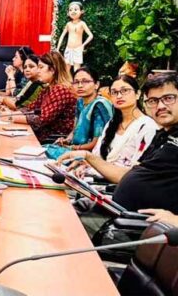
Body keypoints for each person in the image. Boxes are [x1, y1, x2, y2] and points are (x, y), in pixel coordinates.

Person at [59, 73, 178, 235]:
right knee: (59, 215)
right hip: (116, 207)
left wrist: (176, 219)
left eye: (169, 98)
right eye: (153, 101)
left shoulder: (147, 127)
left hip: (134, 225)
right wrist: (87, 159)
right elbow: (132, 174)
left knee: (64, 231)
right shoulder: (162, 135)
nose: (160, 106)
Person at [56, 75, 157, 178]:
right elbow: (97, 156)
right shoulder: (112, 123)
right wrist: (85, 165)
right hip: (95, 178)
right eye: (114, 92)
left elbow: (135, 172)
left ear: (137, 94)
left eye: (125, 91)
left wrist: (88, 158)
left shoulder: (147, 126)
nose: (119, 96)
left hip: (122, 182)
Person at [44, 67, 113, 159]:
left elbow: (96, 143)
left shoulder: (99, 106)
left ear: (96, 84)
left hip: (91, 156)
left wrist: (72, 148)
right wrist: (66, 140)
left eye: (85, 81)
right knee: (42, 150)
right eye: (76, 82)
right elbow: (75, 130)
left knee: (45, 153)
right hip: (75, 149)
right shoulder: (80, 102)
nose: (80, 85)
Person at [11, 51, 77, 142]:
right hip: (43, 135)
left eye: (41, 67)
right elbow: (31, 108)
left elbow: (42, 119)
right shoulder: (49, 88)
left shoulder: (61, 89)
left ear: (52, 70)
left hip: (54, 140)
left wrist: (13, 118)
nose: (38, 71)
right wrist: (10, 115)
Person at [56, 1, 94, 71]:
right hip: (68, 49)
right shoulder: (68, 24)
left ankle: (77, 78)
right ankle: (67, 79)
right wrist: (58, 48)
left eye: (76, 9)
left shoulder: (82, 23)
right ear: (68, 13)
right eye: (70, 10)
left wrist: (83, 45)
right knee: (66, 68)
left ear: (81, 11)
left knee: (76, 69)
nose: (73, 11)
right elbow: (62, 36)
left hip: (77, 49)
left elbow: (91, 35)